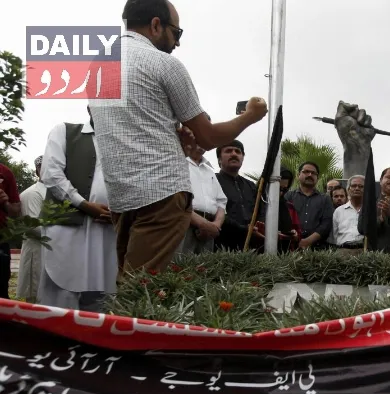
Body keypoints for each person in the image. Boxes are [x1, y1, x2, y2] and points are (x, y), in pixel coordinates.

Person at [88, 0, 268, 274]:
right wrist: (250, 116)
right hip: (161, 196)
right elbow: (208, 138)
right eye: (176, 32)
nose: (178, 42)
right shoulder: (164, 63)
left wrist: (172, 140)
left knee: (131, 278)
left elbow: (123, 128)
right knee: (144, 287)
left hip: (122, 197)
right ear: (155, 24)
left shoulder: (99, 66)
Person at [38, 111, 117, 311]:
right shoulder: (65, 132)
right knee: (61, 296)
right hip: (68, 228)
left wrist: (120, 214)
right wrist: (84, 205)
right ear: (90, 106)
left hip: (108, 229)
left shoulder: (124, 141)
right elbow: (51, 174)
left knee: (102, 297)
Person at [181, 116, 227, 254]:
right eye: (199, 131)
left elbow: (221, 202)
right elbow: (173, 201)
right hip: (183, 225)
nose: (204, 137)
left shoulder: (209, 170)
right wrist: (202, 224)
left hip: (210, 230)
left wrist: (215, 225)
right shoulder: (177, 163)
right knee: (179, 266)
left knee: (205, 267)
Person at [215, 141, 265, 252]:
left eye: (238, 151)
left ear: (242, 158)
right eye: (228, 151)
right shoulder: (213, 180)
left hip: (253, 246)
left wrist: (259, 226)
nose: (234, 154)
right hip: (223, 247)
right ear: (219, 159)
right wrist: (244, 229)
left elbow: (261, 209)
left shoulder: (251, 185)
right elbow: (214, 211)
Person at [284, 162, 335, 250]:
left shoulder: (325, 199)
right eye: (306, 171)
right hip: (290, 246)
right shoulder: (288, 196)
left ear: (317, 178)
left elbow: (326, 223)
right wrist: (293, 234)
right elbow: (283, 219)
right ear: (298, 175)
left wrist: (308, 241)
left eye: (313, 173)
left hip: (318, 249)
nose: (310, 175)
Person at [16, 156, 47, 302]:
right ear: (37, 171)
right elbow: (34, 228)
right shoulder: (32, 194)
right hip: (37, 252)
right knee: (37, 299)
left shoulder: (56, 191)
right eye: (43, 167)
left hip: (54, 252)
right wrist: (63, 233)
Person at [358, 167, 390, 253]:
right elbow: (361, 228)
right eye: (389, 177)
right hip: (374, 253)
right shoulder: (370, 203)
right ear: (381, 180)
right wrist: (380, 219)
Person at [0, 163, 21, 299]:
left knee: (1, 292)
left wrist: (5, 202)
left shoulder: (5, 172)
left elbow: (16, 212)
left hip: (1, 240)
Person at [331, 175, 366, 253]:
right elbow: (334, 235)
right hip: (343, 251)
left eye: (361, 186)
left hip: (364, 251)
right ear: (348, 189)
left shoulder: (370, 210)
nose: (357, 188)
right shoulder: (339, 211)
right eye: (354, 186)